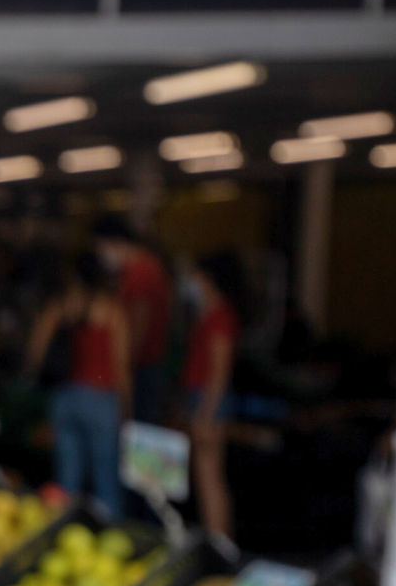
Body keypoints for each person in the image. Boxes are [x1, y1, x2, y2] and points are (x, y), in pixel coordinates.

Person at [24, 253, 131, 515]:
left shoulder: (60, 307)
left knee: (67, 481)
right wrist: (127, 409)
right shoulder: (112, 310)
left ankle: (64, 529)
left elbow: (35, 352)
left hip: (65, 398)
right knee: (107, 481)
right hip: (101, 399)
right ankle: (109, 535)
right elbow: (121, 366)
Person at [182, 252, 246, 539]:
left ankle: (219, 542)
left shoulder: (220, 316)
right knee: (206, 475)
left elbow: (219, 372)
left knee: (210, 477)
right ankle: (216, 539)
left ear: (209, 279)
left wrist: (206, 414)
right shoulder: (208, 314)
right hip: (202, 399)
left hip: (209, 402)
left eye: (195, 276)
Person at [94, 216, 173, 425]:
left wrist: (124, 368)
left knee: (137, 431)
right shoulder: (145, 268)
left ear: (114, 242)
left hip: (142, 368)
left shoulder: (140, 272)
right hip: (146, 365)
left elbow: (139, 325)